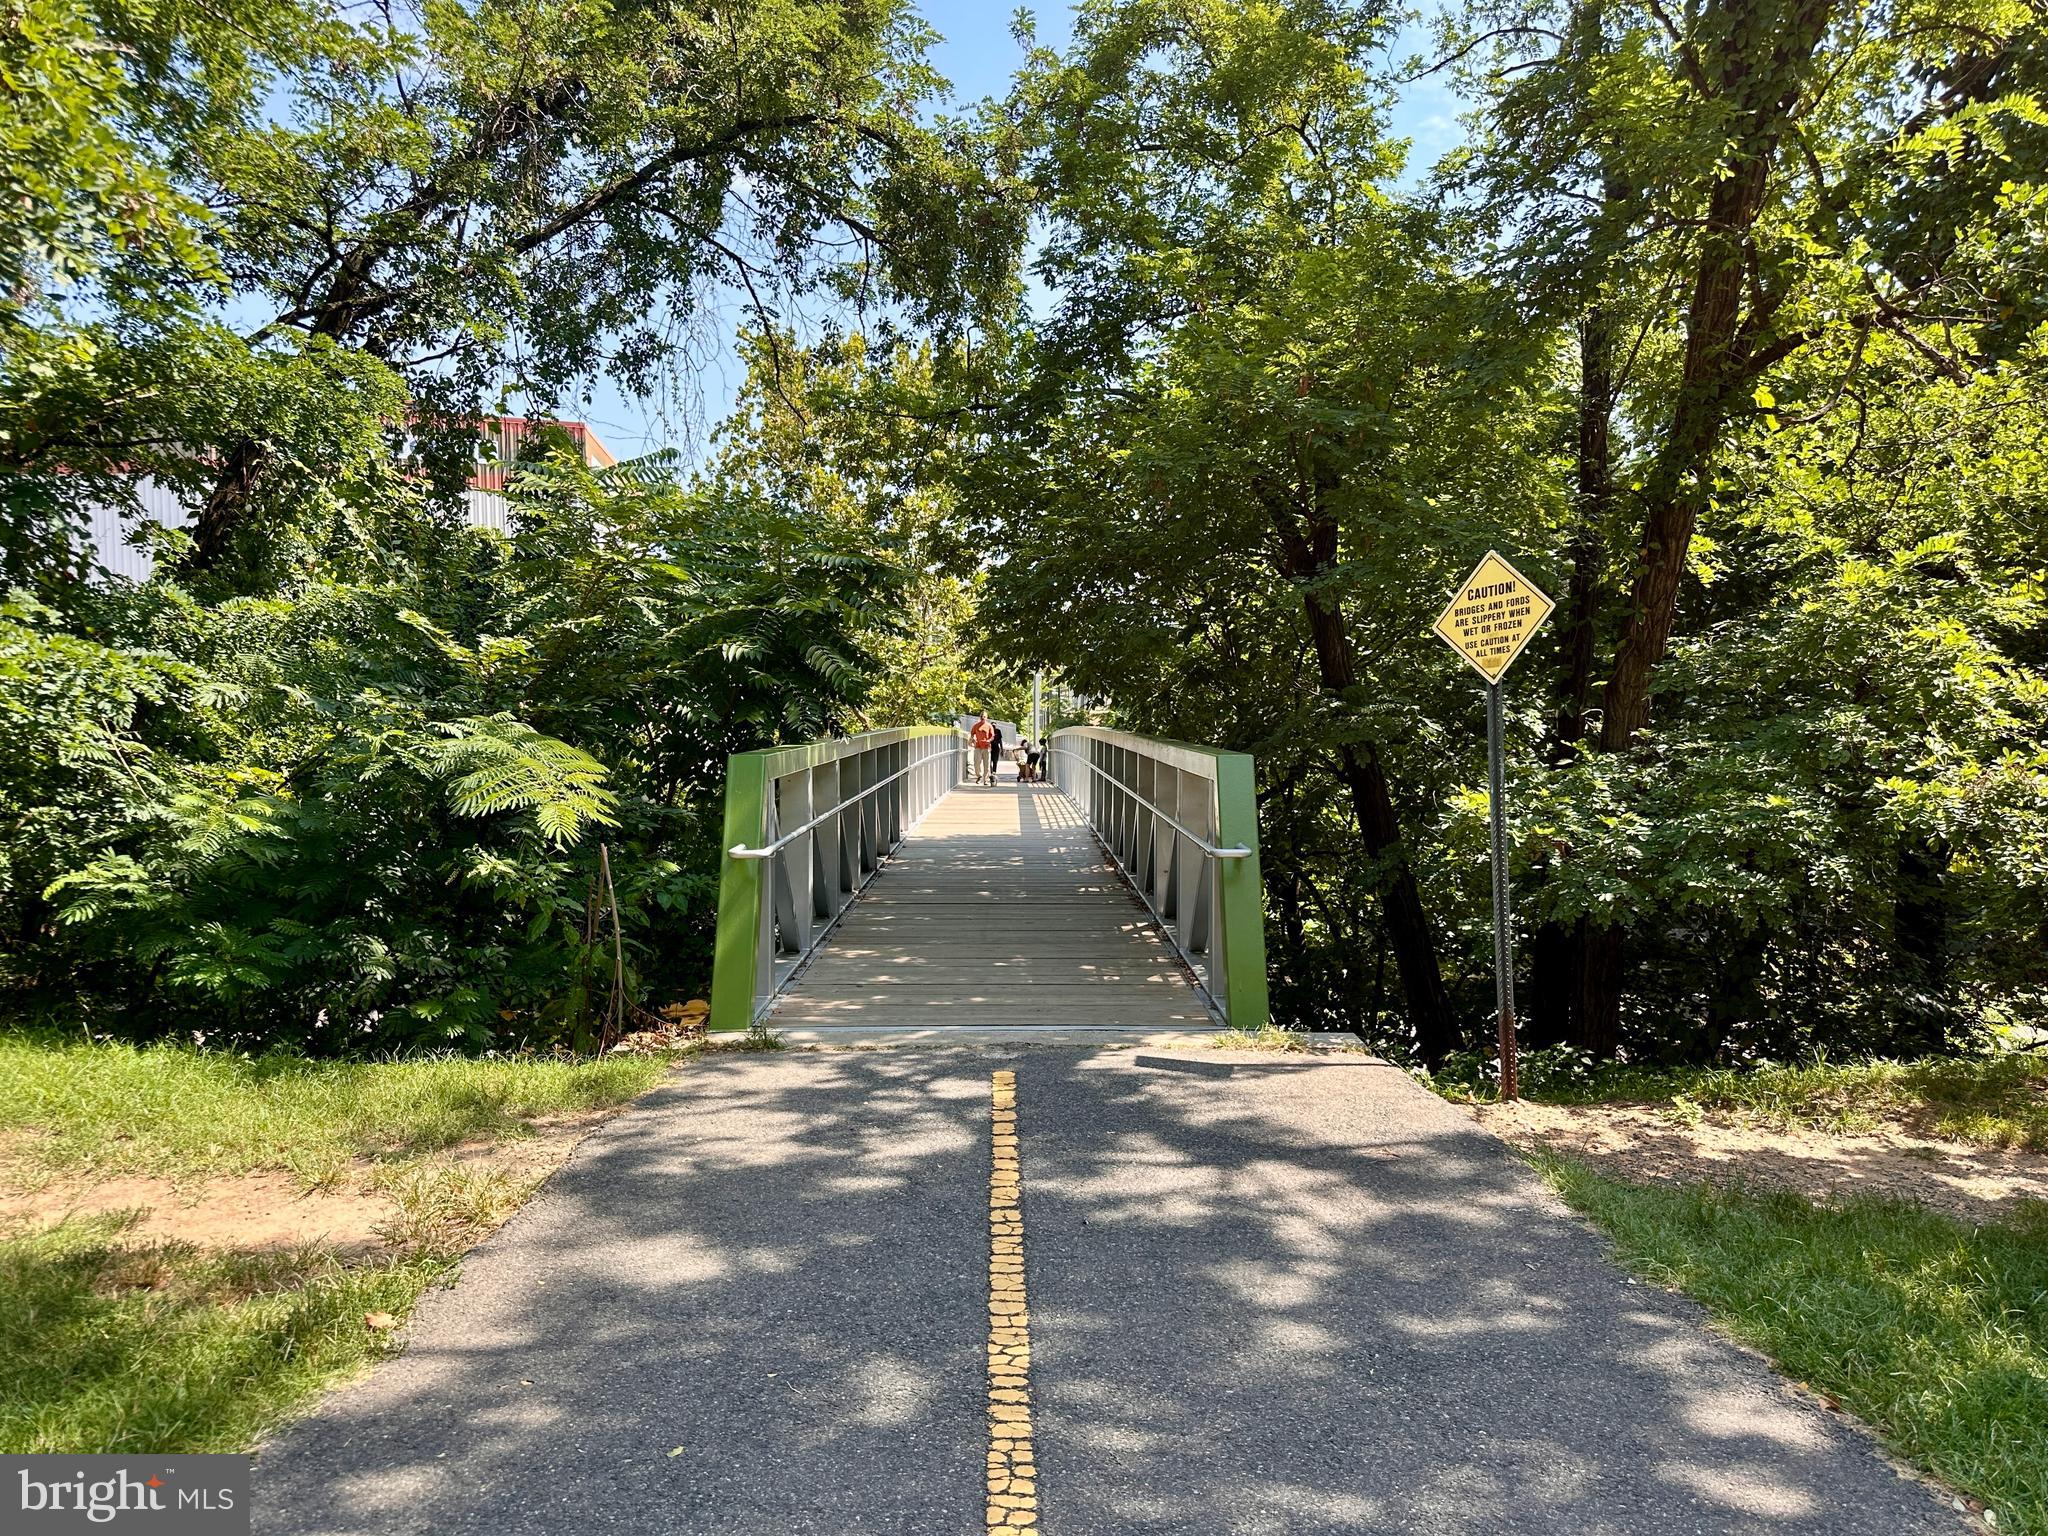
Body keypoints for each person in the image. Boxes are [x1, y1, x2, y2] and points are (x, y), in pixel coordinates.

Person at [969, 712, 995, 785]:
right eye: (981, 716)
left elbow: (992, 736)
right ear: (979, 717)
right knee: (976, 763)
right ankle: (979, 776)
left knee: (986, 765)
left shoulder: (989, 726)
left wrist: (988, 740)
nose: (983, 718)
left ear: (986, 717)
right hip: (978, 747)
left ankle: (985, 780)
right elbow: (972, 734)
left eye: (984, 716)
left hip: (986, 747)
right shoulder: (976, 726)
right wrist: (973, 739)